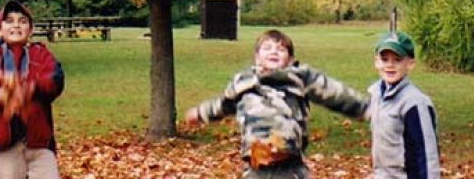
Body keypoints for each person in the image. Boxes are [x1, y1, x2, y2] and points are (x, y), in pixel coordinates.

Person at [185, 29, 369, 179]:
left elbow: (333, 92)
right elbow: (224, 104)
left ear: (290, 59)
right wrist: (201, 113)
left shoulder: (299, 78)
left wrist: (364, 109)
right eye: (267, 48)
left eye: (281, 49)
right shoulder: (244, 81)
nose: (274, 51)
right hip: (256, 163)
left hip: (290, 164)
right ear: (257, 57)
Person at [0, 0, 65, 179]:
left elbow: (55, 80)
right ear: (0, 29)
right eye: (10, 21)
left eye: (22, 21)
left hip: (39, 142)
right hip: (3, 142)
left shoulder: (40, 53)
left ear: (30, 29)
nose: (16, 25)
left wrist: (29, 89)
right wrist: (4, 89)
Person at [369, 31, 440, 178]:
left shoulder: (415, 103)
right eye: (385, 59)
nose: (390, 65)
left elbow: (427, 154)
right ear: (376, 62)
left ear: (410, 64)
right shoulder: (376, 93)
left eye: (397, 60)